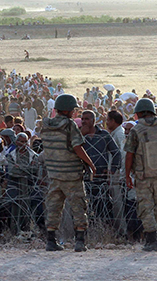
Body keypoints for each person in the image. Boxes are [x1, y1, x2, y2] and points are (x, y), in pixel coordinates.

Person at [39, 94, 95, 252]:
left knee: (54, 207)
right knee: (78, 206)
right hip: (71, 174)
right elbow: (77, 147)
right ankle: (79, 242)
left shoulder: (46, 125)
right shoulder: (70, 125)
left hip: (54, 173)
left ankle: (51, 240)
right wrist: (90, 164)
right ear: (69, 110)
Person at [124, 98, 157, 251]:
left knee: (145, 206)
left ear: (139, 113)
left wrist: (127, 175)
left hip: (143, 176)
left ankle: (151, 238)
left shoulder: (137, 130)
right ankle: (154, 235)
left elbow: (129, 154)